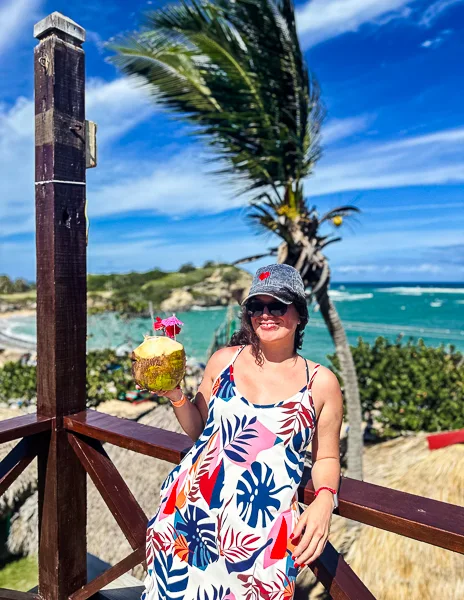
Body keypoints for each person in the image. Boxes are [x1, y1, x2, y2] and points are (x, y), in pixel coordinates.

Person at [140, 264, 343, 600]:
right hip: (188, 519)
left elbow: (327, 456)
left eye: (277, 305)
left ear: (300, 314)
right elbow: (201, 431)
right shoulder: (224, 361)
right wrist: (176, 396)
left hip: (258, 539)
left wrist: (324, 500)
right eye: (256, 307)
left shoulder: (321, 383)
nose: (266, 314)